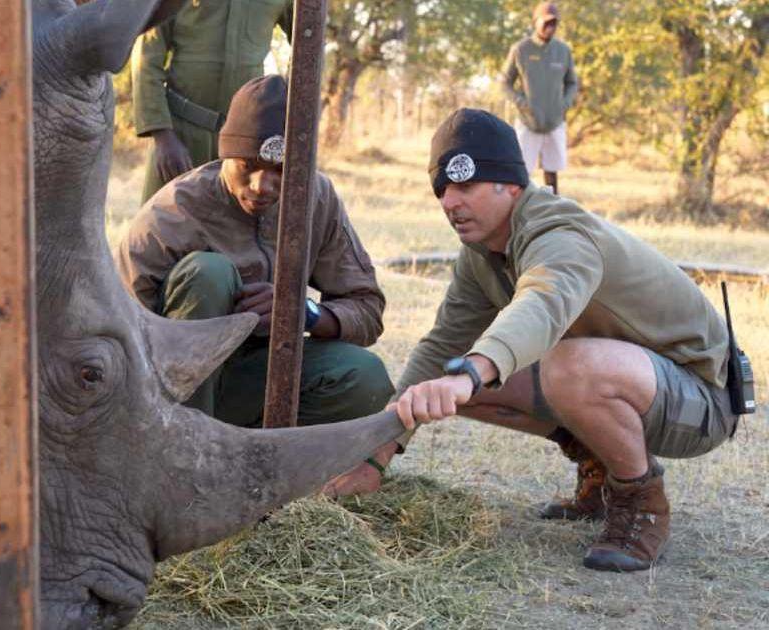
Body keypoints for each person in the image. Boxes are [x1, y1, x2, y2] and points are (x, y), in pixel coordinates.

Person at [360, 108, 740, 572]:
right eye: (441, 189)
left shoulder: (561, 232)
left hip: (700, 400)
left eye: (465, 186)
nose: (449, 202)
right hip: (634, 384)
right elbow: (442, 347)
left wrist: (475, 372)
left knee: (561, 366)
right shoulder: (481, 253)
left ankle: (641, 501)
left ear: (511, 184)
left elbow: (542, 304)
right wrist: (377, 454)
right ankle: (600, 465)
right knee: (448, 375)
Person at [114, 75, 395, 490]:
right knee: (208, 273)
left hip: (257, 380)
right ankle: (185, 469)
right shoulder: (171, 214)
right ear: (225, 153)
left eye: (282, 171)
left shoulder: (317, 199)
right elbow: (118, 337)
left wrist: (304, 312)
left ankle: (256, 465)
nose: (263, 186)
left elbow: (367, 309)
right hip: (168, 397)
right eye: (248, 167)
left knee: (366, 378)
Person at [131, 0, 293, 202]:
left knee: (235, 227)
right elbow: (146, 60)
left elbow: (308, 43)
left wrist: (285, 95)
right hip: (181, 135)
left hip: (245, 147)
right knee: (164, 221)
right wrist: (162, 136)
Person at [501, 1, 578, 194]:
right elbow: (504, 83)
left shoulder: (563, 51)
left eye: (554, 23)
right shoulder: (521, 49)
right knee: (520, 173)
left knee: (552, 172)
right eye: (546, 23)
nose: (550, 27)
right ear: (535, 22)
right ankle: (518, 211)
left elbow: (572, 83)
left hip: (555, 121)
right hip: (528, 121)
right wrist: (522, 103)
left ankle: (552, 212)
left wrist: (565, 103)